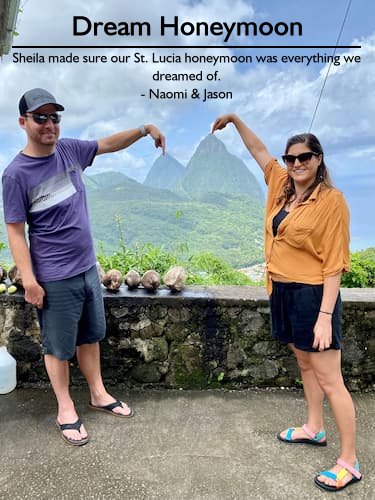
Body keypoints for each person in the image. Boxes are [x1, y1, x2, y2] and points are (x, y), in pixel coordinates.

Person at [2, 88, 165, 446]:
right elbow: (15, 231)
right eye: (40, 117)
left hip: (87, 268)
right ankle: (64, 408)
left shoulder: (70, 150)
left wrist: (143, 129)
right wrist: (29, 279)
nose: (49, 124)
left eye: (54, 117)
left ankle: (98, 394)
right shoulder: (16, 174)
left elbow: (107, 143)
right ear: (23, 122)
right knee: (58, 346)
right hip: (54, 276)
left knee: (90, 336)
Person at [212, 114, 361, 493]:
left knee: (330, 378)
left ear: (319, 159)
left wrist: (325, 316)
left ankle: (350, 461)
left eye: (305, 157)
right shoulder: (282, 186)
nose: (296, 164)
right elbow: (259, 151)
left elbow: (334, 266)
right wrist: (234, 119)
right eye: (291, 158)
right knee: (304, 363)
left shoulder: (333, 202)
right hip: (282, 290)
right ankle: (314, 427)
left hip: (313, 296)